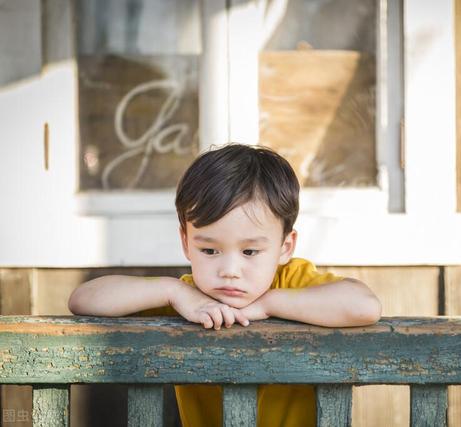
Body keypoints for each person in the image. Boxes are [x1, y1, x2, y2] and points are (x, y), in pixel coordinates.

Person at [68, 143, 382, 427]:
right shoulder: (191, 296)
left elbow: (364, 306)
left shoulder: (294, 282)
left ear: (285, 247)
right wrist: (172, 290)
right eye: (209, 250)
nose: (229, 270)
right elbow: (84, 299)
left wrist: (268, 304)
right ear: (186, 242)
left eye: (249, 252)